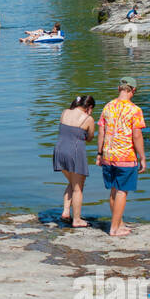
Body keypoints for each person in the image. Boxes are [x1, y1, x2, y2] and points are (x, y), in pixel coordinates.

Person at [96, 76, 146, 237]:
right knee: (122, 192)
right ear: (134, 90)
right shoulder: (135, 110)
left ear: (119, 89)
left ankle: (119, 223)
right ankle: (114, 228)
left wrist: (99, 153)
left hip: (108, 155)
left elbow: (101, 132)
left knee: (113, 190)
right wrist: (142, 157)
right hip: (126, 156)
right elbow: (137, 135)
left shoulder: (108, 107)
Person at [53, 95, 96, 227]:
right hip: (75, 153)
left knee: (72, 182)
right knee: (78, 188)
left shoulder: (65, 112)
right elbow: (90, 138)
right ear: (89, 107)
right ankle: (77, 220)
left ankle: (66, 212)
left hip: (59, 150)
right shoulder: (89, 119)